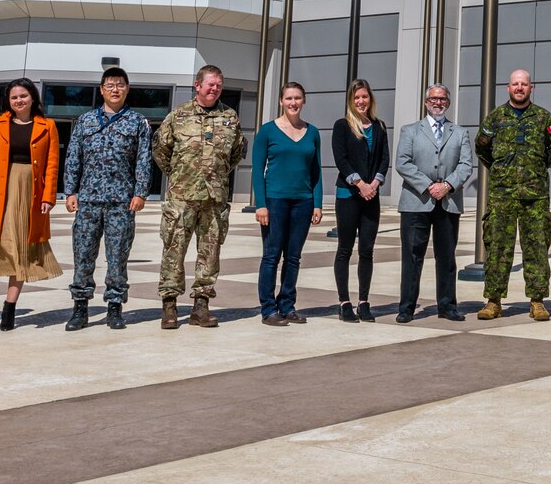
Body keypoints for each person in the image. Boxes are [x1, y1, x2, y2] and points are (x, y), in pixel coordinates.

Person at [153, 64, 246, 330]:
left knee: (210, 254)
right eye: (210, 84)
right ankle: (169, 306)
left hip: (214, 199)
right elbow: (161, 151)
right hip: (182, 198)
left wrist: (215, 176)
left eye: (219, 84)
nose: (214, 88)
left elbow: (236, 154)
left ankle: (201, 307)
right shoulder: (178, 116)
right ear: (197, 85)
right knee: (174, 250)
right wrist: (180, 175)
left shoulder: (230, 117)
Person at [61, 66, 152, 332]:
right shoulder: (85, 121)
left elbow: (144, 159)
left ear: (127, 89)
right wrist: (70, 191)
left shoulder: (137, 122)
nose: (115, 89)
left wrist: (140, 192)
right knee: (83, 256)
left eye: (120, 84)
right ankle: (80, 308)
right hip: (88, 200)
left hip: (121, 202)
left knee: (118, 257)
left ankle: (114, 307)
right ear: (101, 89)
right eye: (110, 85)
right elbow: (73, 157)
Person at [0, 78, 61, 331]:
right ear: (8, 101)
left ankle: (10, 308)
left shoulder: (47, 126)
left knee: (20, 250)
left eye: (23, 96)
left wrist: (48, 197)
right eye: (14, 97)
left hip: (29, 193)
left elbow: (52, 165)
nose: (19, 100)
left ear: (33, 98)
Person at [475, 69, 551, 321]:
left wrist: (537, 166)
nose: (520, 88)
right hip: (502, 194)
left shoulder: (543, 117)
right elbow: (482, 147)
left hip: (534, 195)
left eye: (524, 84)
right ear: (508, 88)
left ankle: (537, 301)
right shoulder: (495, 118)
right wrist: (500, 169)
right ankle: (493, 301)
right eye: (516, 84)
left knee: (536, 247)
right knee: (498, 249)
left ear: (531, 88)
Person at [393, 84, 474, 322]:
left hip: (448, 203)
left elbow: (466, 165)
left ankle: (447, 306)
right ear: (426, 102)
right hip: (416, 202)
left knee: (447, 256)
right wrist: (429, 186)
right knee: (412, 256)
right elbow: (403, 162)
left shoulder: (459, 133)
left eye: (442, 99)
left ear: (448, 103)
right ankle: (406, 307)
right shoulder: (410, 131)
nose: (437, 103)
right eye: (433, 99)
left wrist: (447, 185)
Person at [254, 81, 324, 327]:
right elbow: (257, 170)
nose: (293, 103)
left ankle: (287, 306)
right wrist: (260, 205)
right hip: (275, 201)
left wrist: (317, 203)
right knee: (271, 256)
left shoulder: (313, 132)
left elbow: (316, 171)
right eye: (289, 98)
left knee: (293, 257)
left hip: (303, 202)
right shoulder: (267, 131)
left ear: (303, 101)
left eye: (297, 98)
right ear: (281, 101)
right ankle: (268, 309)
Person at [331, 79, 390, 323]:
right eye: (356, 98)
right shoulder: (342, 125)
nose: (361, 101)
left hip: (371, 197)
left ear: (370, 99)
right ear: (350, 101)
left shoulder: (379, 126)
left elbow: (384, 158)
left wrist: (374, 183)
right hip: (348, 194)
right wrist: (360, 184)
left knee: (367, 250)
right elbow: (340, 158)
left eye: (364, 97)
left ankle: (363, 302)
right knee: (345, 249)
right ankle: (344, 302)